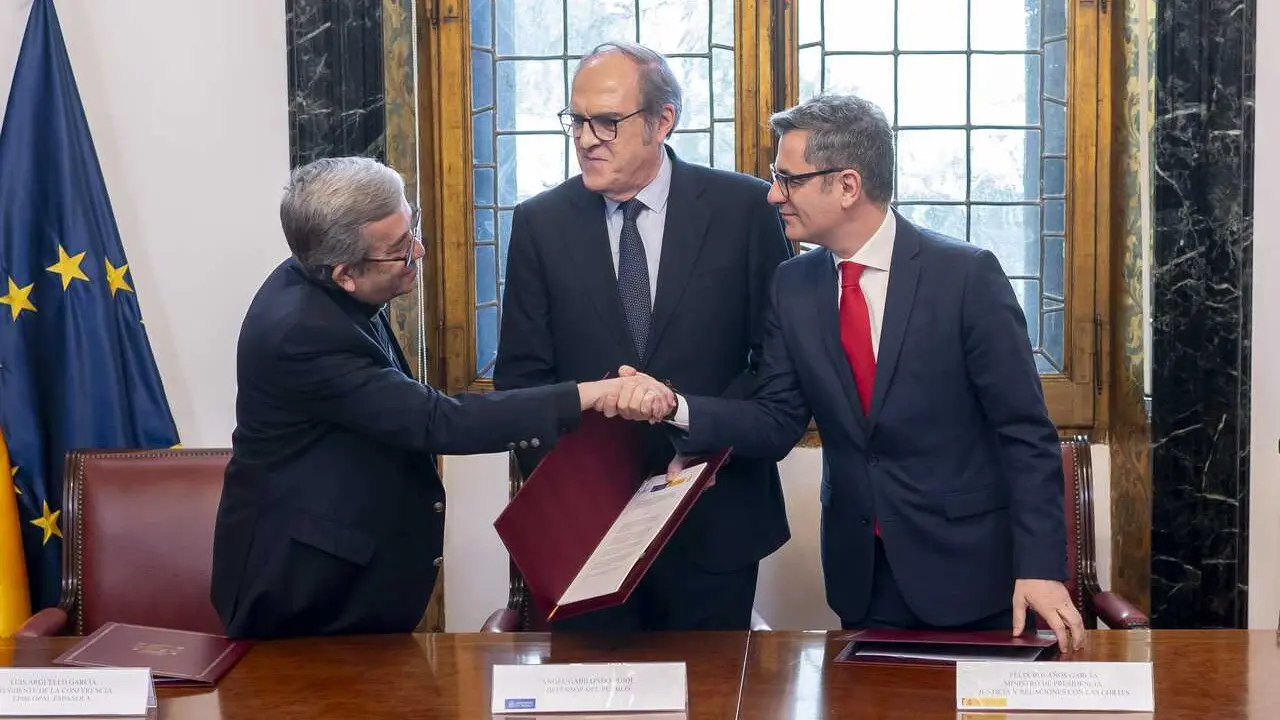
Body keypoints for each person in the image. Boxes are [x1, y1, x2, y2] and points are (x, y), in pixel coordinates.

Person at [608, 93, 1087, 652]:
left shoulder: (965, 277)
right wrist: (676, 406)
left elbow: (1024, 434)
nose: (773, 194)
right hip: (862, 574)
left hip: (970, 571)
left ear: (847, 185)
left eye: (788, 179)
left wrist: (1040, 567)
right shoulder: (793, 285)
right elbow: (776, 419)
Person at [209, 156, 672, 640]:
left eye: (412, 228)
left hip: (343, 574)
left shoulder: (325, 277)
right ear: (344, 273)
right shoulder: (301, 332)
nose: (420, 251)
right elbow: (436, 420)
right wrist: (588, 395)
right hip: (303, 593)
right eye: (400, 251)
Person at [494, 41, 795, 632]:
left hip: (716, 519)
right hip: (588, 536)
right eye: (577, 120)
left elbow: (776, 368)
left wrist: (699, 433)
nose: (586, 139)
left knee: (711, 685)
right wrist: (582, 483)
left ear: (663, 122)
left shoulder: (744, 209)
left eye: (607, 121)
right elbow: (521, 382)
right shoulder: (539, 223)